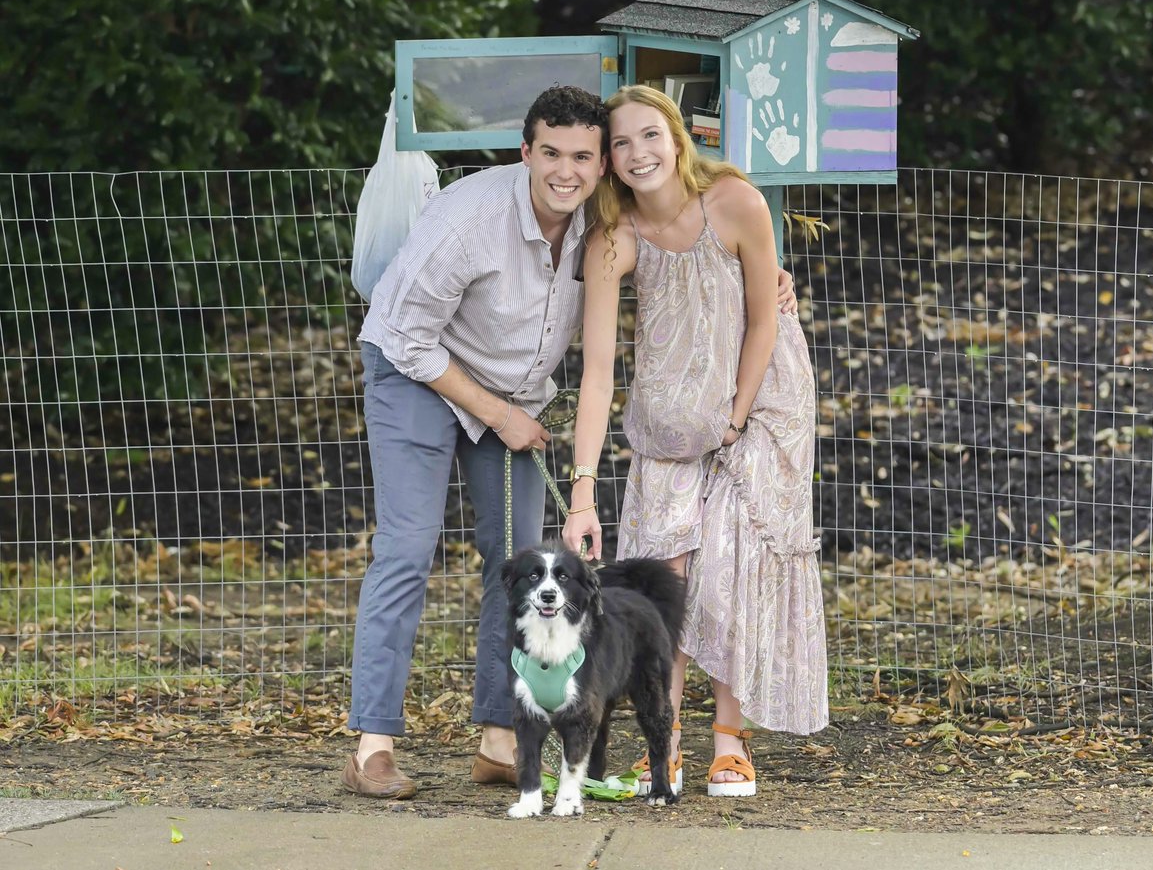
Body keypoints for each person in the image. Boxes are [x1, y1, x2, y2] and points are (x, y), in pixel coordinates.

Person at [344, 84, 796, 800]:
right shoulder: (469, 220)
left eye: (584, 156)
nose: (567, 171)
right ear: (526, 153)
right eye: (550, 153)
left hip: (510, 399)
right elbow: (403, 334)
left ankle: (500, 734)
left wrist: (763, 277)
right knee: (408, 545)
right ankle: (373, 741)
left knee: (523, 559)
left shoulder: (604, 215)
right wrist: (496, 412)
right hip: (416, 374)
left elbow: (685, 237)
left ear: (602, 165)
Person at [564, 85, 828, 798]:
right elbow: (595, 373)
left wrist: (736, 418)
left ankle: (729, 741)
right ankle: (666, 744)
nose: (638, 152)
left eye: (650, 135)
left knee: (735, 564)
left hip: (758, 399)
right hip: (670, 421)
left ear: (678, 137)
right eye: (621, 144)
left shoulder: (736, 202)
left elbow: (763, 320)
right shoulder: (613, 239)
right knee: (663, 578)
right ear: (611, 164)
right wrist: (583, 488)